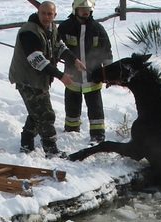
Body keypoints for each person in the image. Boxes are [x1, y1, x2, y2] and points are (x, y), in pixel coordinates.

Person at [9, 1, 86, 157]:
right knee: (45, 114)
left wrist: (74, 60)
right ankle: (51, 150)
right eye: (43, 13)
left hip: (39, 80)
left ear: (54, 15)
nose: (46, 16)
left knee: (36, 112)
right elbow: (37, 60)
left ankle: (26, 144)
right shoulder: (29, 32)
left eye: (49, 14)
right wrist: (60, 76)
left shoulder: (51, 29)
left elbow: (59, 47)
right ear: (38, 13)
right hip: (27, 80)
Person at [58, 0, 112, 143]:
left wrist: (108, 73)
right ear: (75, 9)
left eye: (87, 9)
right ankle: (71, 130)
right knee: (72, 105)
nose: (85, 11)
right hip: (72, 75)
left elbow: (106, 52)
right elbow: (56, 47)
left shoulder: (98, 29)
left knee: (95, 107)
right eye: (82, 8)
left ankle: (98, 134)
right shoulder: (65, 27)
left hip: (93, 76)